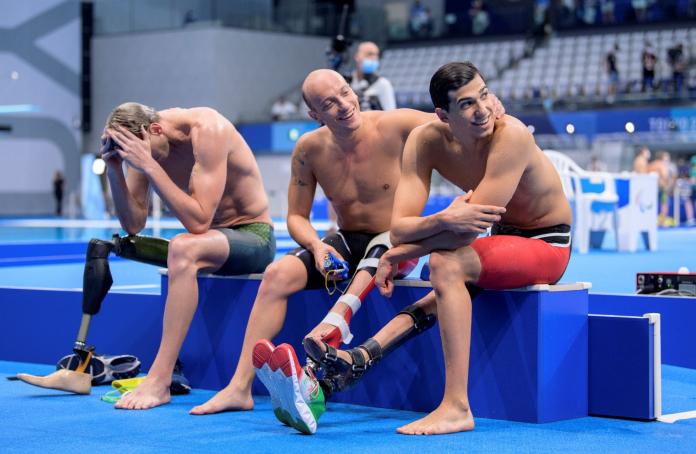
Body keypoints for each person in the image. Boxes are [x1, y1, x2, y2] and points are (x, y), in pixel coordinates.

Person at [189, 69, 505, 434]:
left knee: (379, 246)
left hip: (397, 245)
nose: (344, 105)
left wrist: (496, 110)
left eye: (345, 93)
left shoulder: (398, 124)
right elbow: (296, 216)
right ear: (315, 115)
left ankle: (331, 330)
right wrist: (316, 245)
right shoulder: (309, 149)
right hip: (345, 240)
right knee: (278, 274)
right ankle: (239, 387)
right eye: (329, 104)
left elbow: (461, 126)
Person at [303, 61, 572, 435]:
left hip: (547, 243)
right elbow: (400, 228)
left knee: (446, 265)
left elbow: (462, 233)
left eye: (483, 95)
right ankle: (356, 358)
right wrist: (440, 222)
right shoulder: (424, 141)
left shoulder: (511, 137)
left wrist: (399, 252)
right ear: (443, 115)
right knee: (439, 277)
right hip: (501, 239)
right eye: (466, 104)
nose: (482, 111)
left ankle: (457, 406)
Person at [94, 103, 275, 410]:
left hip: (253, 236)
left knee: (182, 246)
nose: (141, 162)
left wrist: (149, 165)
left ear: (154, 129)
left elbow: (199, 221)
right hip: (210, 243)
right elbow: (134, 224)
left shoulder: (207, 130)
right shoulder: (146, 146)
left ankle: (160, 379)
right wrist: (115, 169)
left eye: (142, 154)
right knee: (141, 245)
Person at [350, 41, 396, 111]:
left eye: (376, 55)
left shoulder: (383, 84)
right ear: (357, 57)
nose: (373, 58)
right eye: (369, 54)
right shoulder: (347, 81)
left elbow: (391, 115)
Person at [648, 150, 675, 227]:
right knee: (664, 204)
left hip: (652, 187)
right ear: (662, 157)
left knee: (652, 204)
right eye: (666, 156)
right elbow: (665, 176)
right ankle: (662, 222)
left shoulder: (651, 164)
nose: (668, 158)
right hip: (662, 188)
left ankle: (651, 221)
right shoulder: (662, 165)